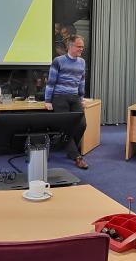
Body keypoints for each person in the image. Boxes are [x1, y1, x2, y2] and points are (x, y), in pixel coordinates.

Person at [45, 34, 89, 170]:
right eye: (79, 46)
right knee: (66, 127)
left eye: (82, 47)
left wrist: (81, 98)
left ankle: (69, 147)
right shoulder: (58, 61)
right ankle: (76, 157)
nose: (81, 49)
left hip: (74, 97)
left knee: (82, 124)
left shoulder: (82, 62)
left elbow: (81, 81)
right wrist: (47, 100)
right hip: (59, 97)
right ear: (70, 46)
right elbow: (51, 82)